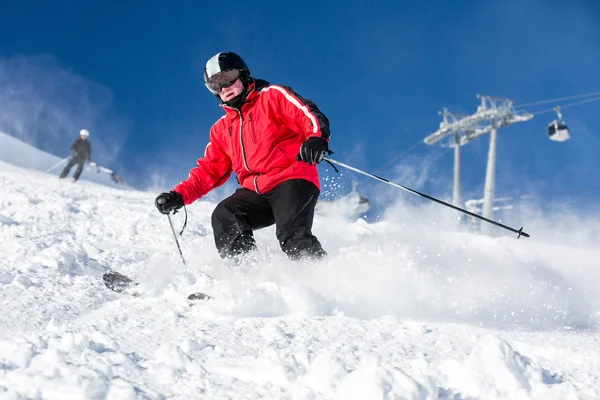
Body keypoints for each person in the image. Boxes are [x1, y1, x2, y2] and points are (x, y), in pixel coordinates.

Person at [155, 52, 331, 261]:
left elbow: (306, 113)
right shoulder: (222, 129)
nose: (223, 88)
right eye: (215, 85)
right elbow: (210, 170)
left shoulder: (271, 96)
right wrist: (179, 195)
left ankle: (325, 278)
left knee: (292, 236)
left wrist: (316, 138)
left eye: (227, 78)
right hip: (257, 192)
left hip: (292, 180)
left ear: (243, 74)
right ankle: (247, 274)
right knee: (225, 214)